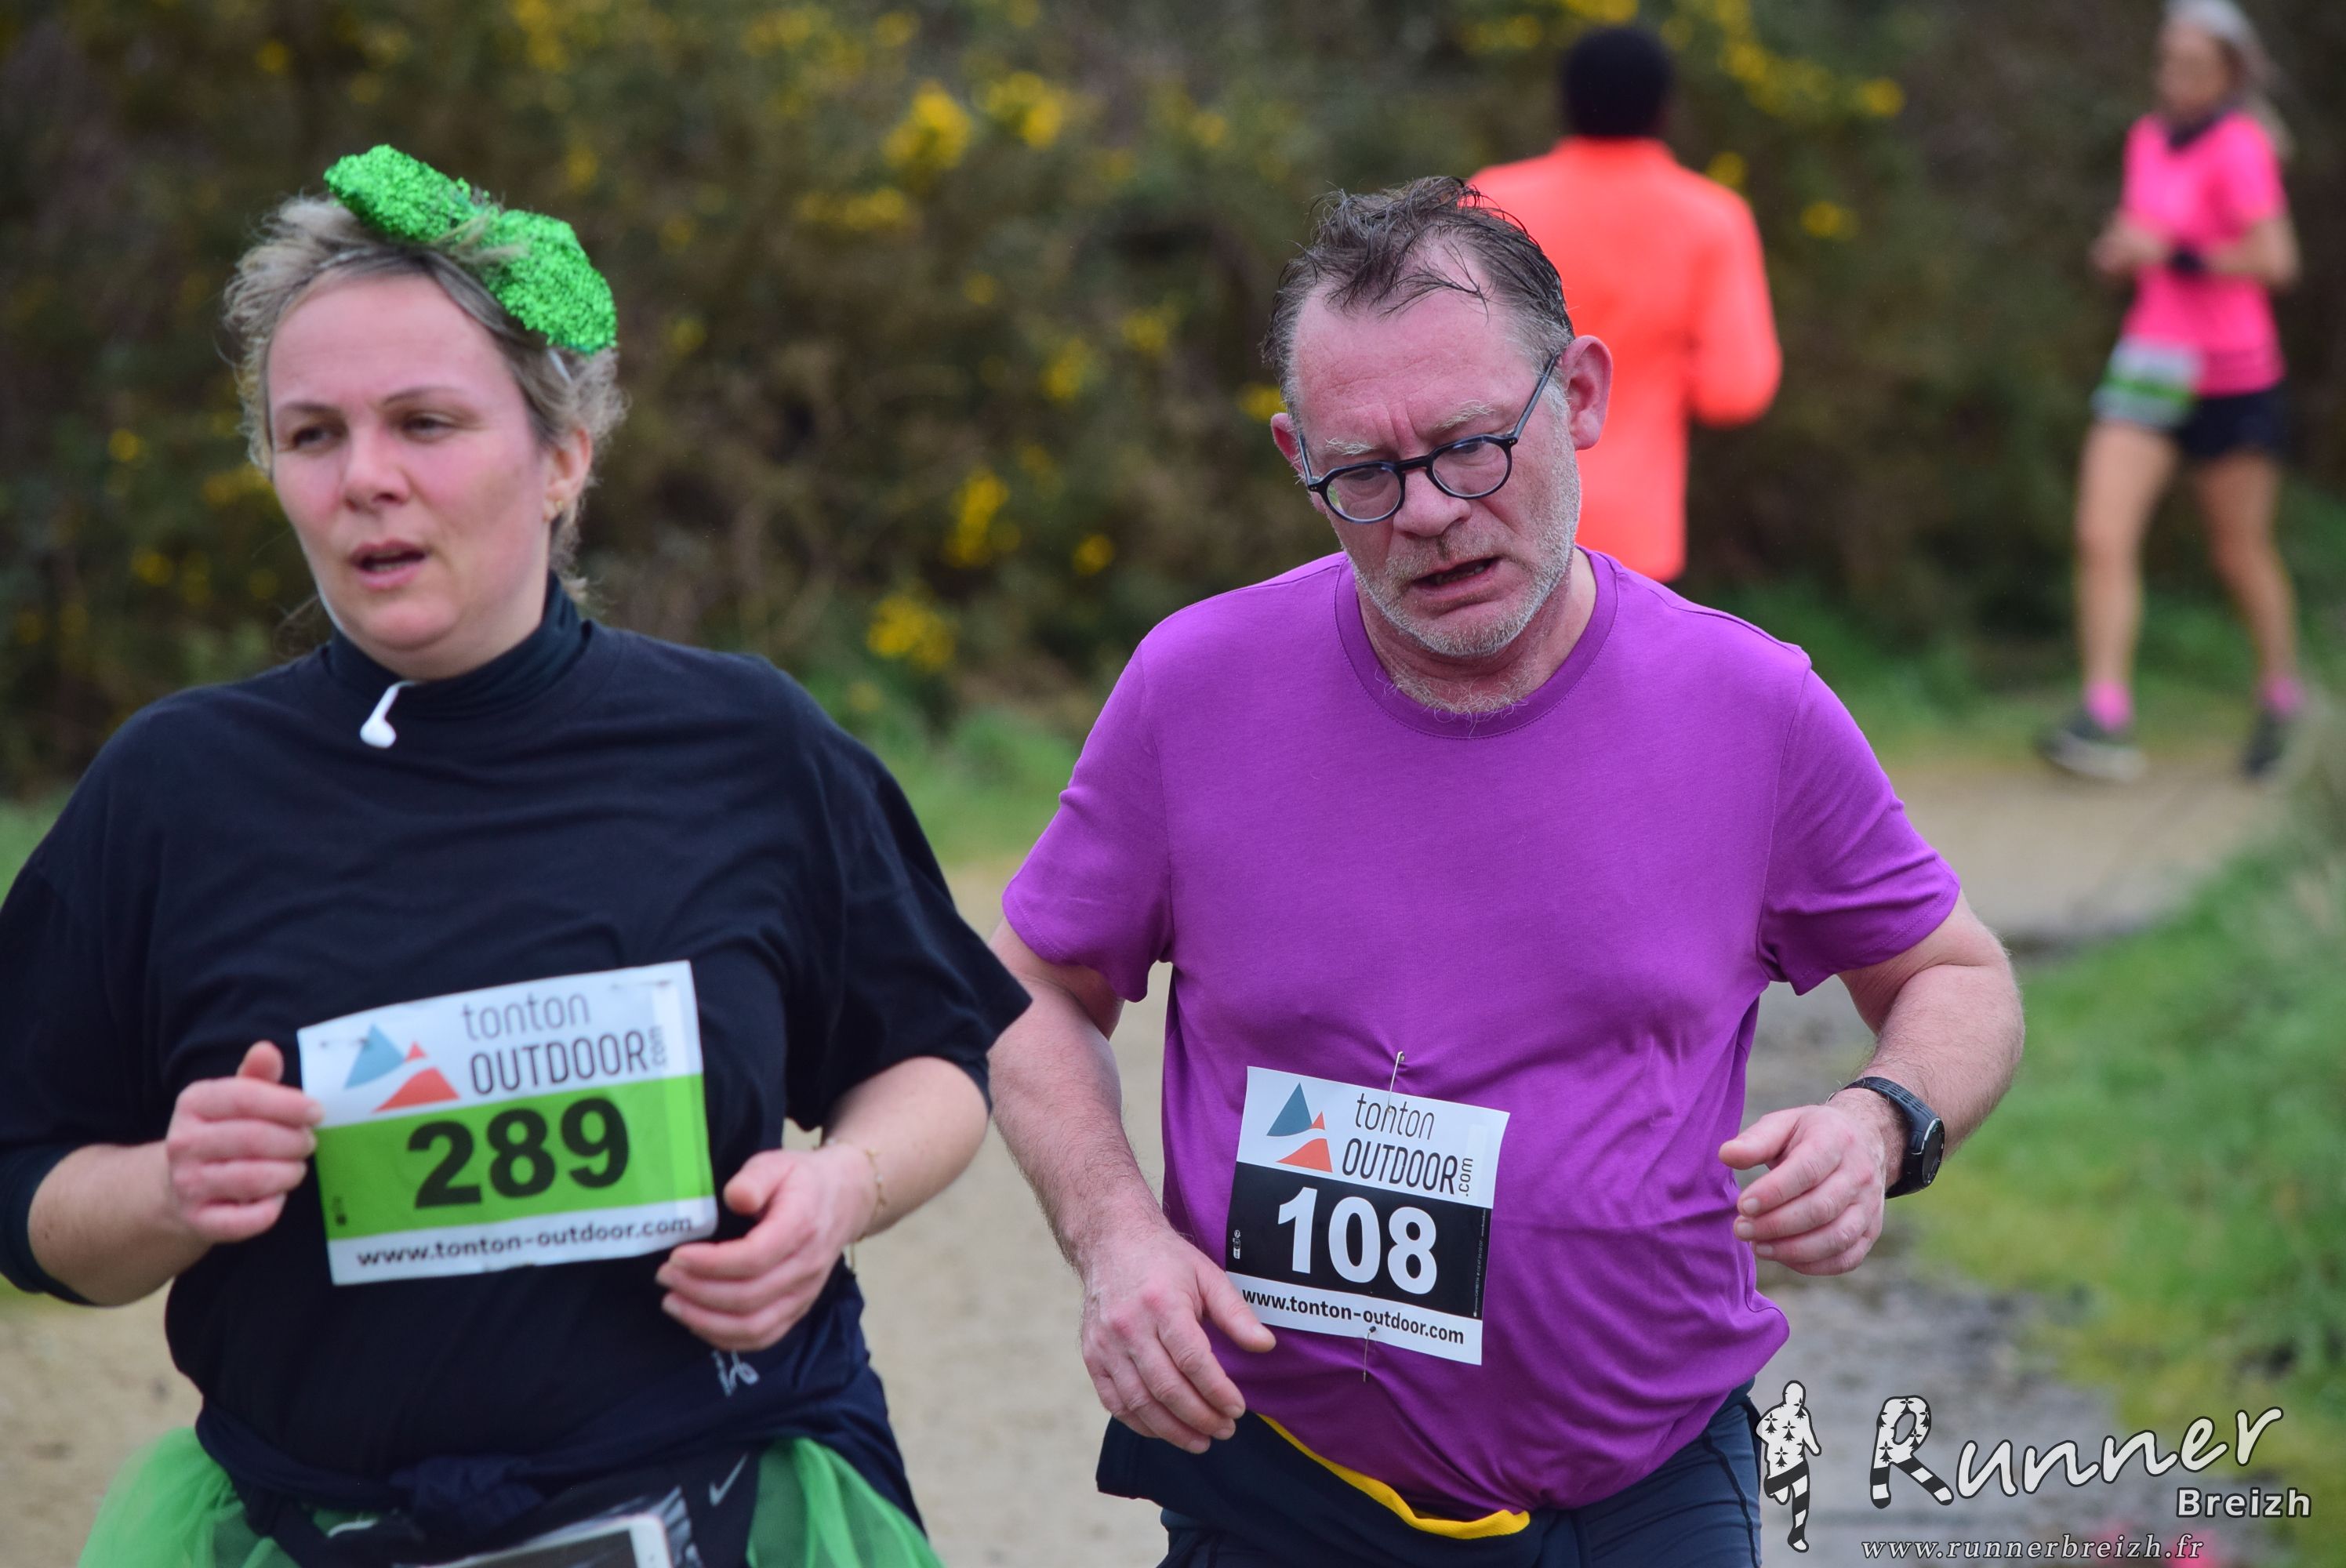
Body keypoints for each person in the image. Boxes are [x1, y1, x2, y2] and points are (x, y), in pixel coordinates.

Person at [0, 146, 1028, 1567]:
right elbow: (28, 1190)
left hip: (724, 1512)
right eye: (312, 435)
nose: (367, 479)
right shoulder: (171, 793)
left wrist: (838, 1191)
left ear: (562, 457)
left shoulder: (746, 744)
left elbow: (932, 1055)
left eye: (425, 423)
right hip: (311, 1524)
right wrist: (166, 1193)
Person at [986, 178, 2023, 1566]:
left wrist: (1880, 1123)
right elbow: (1031, 988)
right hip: (1289, 1488)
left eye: (1472, 448)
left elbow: (1957, 974)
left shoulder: (1748, 708)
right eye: (1363, 474)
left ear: (1579, 395)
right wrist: (1114, 1234)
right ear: (1296, 457)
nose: (1425, 513)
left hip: (1642, 1487)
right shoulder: (1196, 691)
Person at [2042, 0, 2303, 782]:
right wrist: (2121, 252)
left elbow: (2276, 260)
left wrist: (2177, 254)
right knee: (2100, 532)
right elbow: (2143, 232)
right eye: (2166, 62)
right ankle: (2104, 712)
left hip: (2232, 373)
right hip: (2151, 362)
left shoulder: (2240, 145)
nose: (2172, 78)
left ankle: (2280, 694)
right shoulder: (2147, 138)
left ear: (2227, 73)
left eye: (2190, 65)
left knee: (2237, 549)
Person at [1469, 24, 1780, 584]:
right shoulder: (1712, 218)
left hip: (1496, 514)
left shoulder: (1493, 200)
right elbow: (1735, 391)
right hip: (1635, 536)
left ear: (1564, 102)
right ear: (1664, 110)